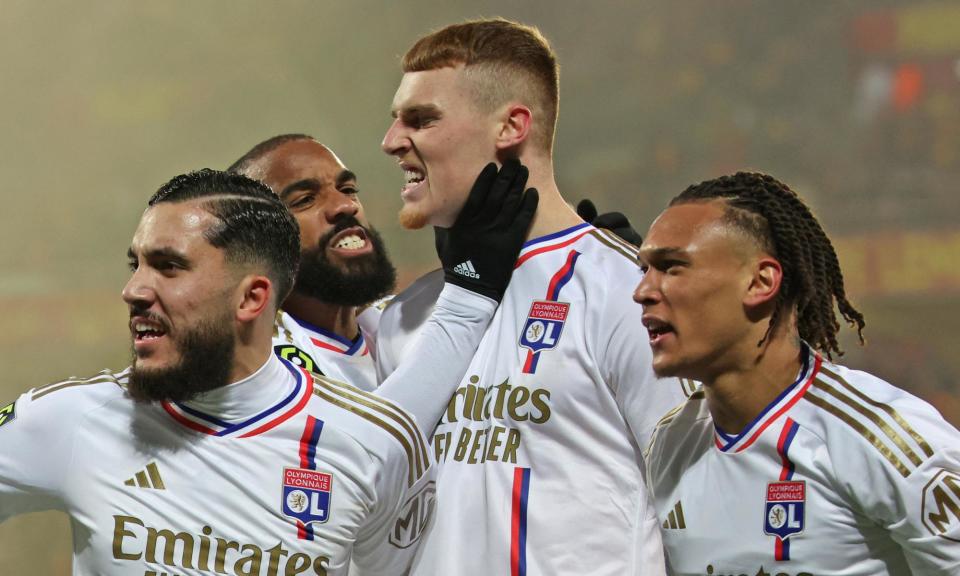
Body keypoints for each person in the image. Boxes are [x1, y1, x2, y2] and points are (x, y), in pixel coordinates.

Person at [0, 166, 536, 575]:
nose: (135, 290)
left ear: (252, 298)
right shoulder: (67, 420)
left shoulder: (372, 443)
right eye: (135, 263)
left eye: (168, 266)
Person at [378, 18, 687, 575]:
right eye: (397, 119)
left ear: (511, 126)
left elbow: (694, 510)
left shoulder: (626, 293)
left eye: (421, 119)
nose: (392, 141)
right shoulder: (405, 316)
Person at [636, 172, 960, 575]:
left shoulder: (880, 438)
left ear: (760, 281)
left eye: (671, 267)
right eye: (644, 270)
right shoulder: (670, 445)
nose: (643, 291)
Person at [227, 135, 395, 392]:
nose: (345, 206)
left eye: (348, 189)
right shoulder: (260, 368)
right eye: (305, 199)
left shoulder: (404, 322)